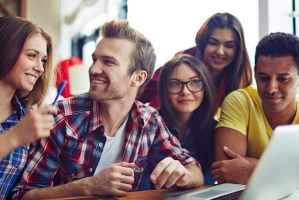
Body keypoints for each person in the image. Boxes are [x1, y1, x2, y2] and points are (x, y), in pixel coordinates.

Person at [11, 20, 204, 200]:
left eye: (108, 62)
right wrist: (87, 187)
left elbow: (194, 169)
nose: (94, 69)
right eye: (95, 59)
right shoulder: (62, 117)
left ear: (138, 78)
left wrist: (184, 176)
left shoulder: (149, 120)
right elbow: (23, 194)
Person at [212, 32, 299, 184]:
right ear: (255, 74)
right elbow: (226, 168)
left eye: (283, 79)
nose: (271, 88)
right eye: (263, 78)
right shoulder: (239, 101)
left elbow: (239, 172)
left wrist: (251, 171)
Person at [138, 12, 252, 110]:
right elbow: (140, 93)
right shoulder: (183, 61)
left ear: (238, 49)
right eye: (213, 43)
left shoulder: (242, 74)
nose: (220, 51)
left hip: (202, 127)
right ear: (203, 42)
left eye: (229, 45)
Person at [0, 15, 57, 199]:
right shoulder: (22, 130)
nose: (40, 68)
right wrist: (15, 137)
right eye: (32, 55)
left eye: (43, 60)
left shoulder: (27, 119)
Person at [158, 54, 217, 185]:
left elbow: (208, 186)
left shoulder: (217, 131)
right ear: (164, 89)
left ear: (206, 88)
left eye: (195, 82)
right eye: (174, 84)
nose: (185, 91)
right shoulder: (150, 124)